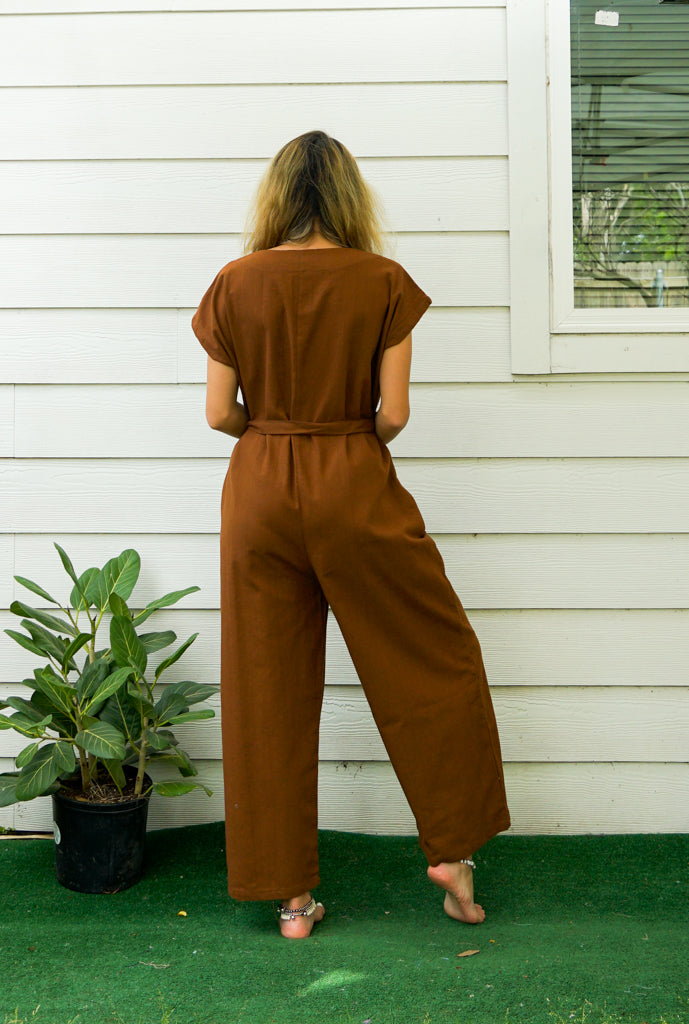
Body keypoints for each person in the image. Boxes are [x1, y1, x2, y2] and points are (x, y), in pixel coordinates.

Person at [191, 129, 511, 940]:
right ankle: (451, 853)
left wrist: (274, 436)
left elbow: (217, 413)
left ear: (275, 198)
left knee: (265, 685)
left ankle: (291, 898)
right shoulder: (383, 282)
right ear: (347, 197)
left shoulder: (234, 283)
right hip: (353, 476)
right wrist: (339, 441)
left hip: (259, 482)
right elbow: (394, 414)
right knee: (429, 656)